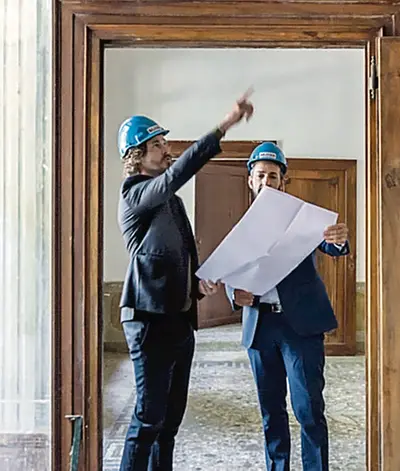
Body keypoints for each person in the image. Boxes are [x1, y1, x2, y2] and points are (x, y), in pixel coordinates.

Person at [116, 89, 255, 471]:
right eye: (156, 145)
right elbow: (177, 175)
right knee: (148, 418)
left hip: (179, 320)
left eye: (164, 142)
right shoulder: (135, 194)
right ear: (136, 156)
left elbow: (171, 254)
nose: (166, 149)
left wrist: (197, 284)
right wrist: (225, 124)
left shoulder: (171, 201)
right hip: (148, 319)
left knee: (169, 422)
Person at [224, 141, 349, 471]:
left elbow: (331, 244)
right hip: (260, 327)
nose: (266, 181)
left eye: (273, 176)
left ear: (283, 181)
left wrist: (339, 241)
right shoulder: (240, 226)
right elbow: (228, 269)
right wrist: (233, 294)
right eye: (260, 175)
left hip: (300, 328)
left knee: (308, 409)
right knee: (271, 411)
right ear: (250, 180)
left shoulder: (303, 217)